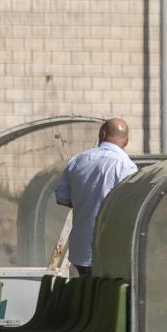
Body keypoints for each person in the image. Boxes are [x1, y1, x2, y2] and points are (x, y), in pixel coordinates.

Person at [54, 117, 136, 276]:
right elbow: (130, 206)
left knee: (86, 292)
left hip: (80, 248)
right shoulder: (127, 166)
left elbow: (61, 198)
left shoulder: (78, 160)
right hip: (110, 249)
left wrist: (86, 200)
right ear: (126, 142)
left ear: (102, 133)